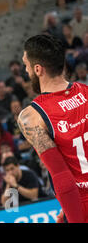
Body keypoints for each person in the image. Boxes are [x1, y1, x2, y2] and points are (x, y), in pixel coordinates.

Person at [17, 34, 88, 223]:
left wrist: (74, 214)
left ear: (38, 69)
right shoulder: (86, 92)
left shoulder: (32, 116)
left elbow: (62, 176)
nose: (26, 70)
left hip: (81, 204)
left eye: (26, 65)